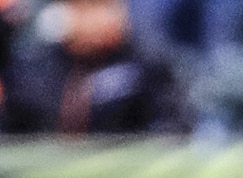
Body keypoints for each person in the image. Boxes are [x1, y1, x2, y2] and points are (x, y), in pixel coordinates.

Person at [0, 0, 189, 134]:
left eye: (102, 5)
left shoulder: (147, 66)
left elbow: (172, 132)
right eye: (82, 7)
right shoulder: (30, 69)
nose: (95, 18)